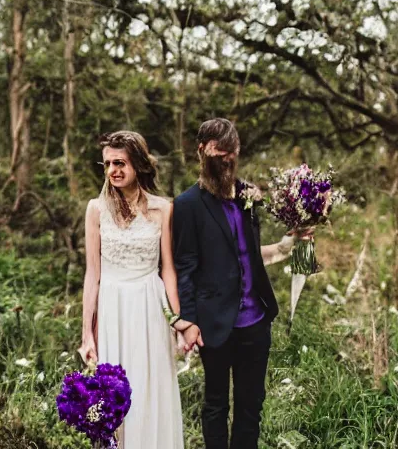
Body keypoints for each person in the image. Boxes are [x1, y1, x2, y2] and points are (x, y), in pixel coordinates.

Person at [171, 118, 311, 449]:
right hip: (213, 322)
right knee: (216, 405)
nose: (227, 159)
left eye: (232, 152)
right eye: (220, 152)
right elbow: (184, 268)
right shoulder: (187, 205)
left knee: (251, 406)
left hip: (256, 322)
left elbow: (247, 253)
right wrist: (187, 321)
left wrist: (289, 243)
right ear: (202, 151)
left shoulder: (249, 197)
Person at [77, 130, 185, 448]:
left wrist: (178, 323)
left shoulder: (162, 209)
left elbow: (168, 271)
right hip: (112, 308)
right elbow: (92, 273)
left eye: (121, 163)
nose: (114, 171)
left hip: (150, 307)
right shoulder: (95, 210)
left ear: (137, 163)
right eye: (108, 164)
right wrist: (87, 333)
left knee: (150, 387)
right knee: (113, 395)